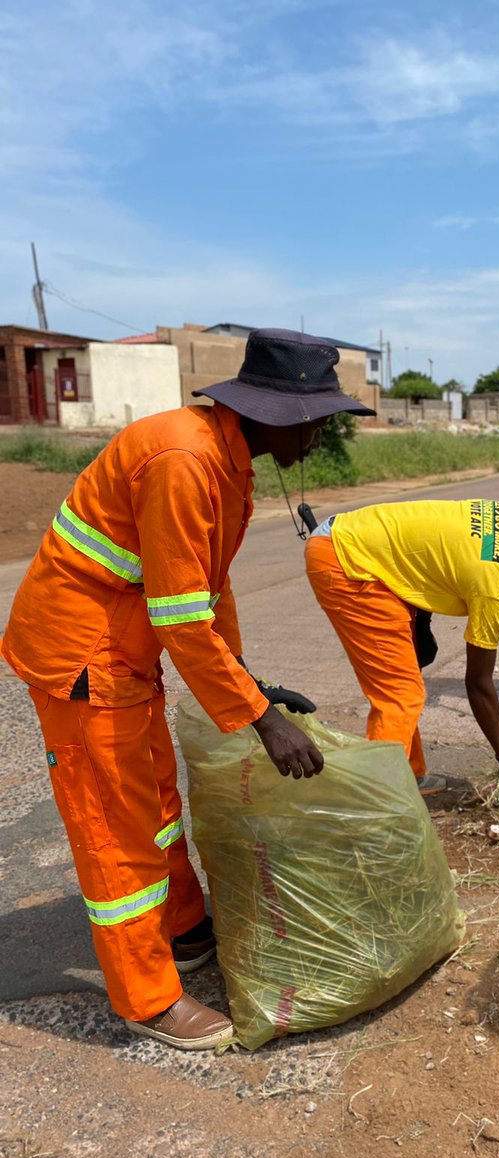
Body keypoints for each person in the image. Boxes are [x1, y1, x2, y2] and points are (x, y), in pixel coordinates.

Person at [0, 329, 375, 1051]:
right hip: (82, 656)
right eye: (315, 420)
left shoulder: (227, 462)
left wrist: (250, 683)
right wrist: (260, 718)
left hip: (125, 651)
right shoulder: (184, 460)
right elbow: (178, 615)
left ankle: (181, 926)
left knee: (156, 801)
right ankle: (147, 997)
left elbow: (208, 588)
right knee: (115, 827)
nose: (320, 435)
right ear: (272, 414)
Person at [304, 499, 499, 799]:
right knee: (400, 693)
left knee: (405, 681)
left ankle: (408, 776)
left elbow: (436, 550)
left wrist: (422, 622)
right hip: (349, 564)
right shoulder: (494, 589)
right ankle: (379, 804)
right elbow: (478, 684)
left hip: (354, 541)